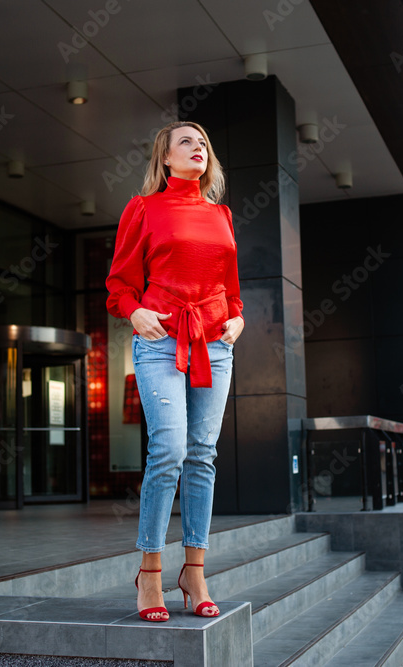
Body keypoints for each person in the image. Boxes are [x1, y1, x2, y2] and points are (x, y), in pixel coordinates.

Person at [105, 121, 244, 622]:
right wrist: (133, 311)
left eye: (203, 141)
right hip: (161, 341)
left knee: (203, 455)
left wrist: (239, 317)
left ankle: (195, 571)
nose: (198, 147)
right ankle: (149, 571)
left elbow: (230, 286)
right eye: (186, 142)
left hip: (215, 343)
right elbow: (119, 283)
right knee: (170, 449)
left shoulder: (221, 214)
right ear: (164, 158)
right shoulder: (144, 208)